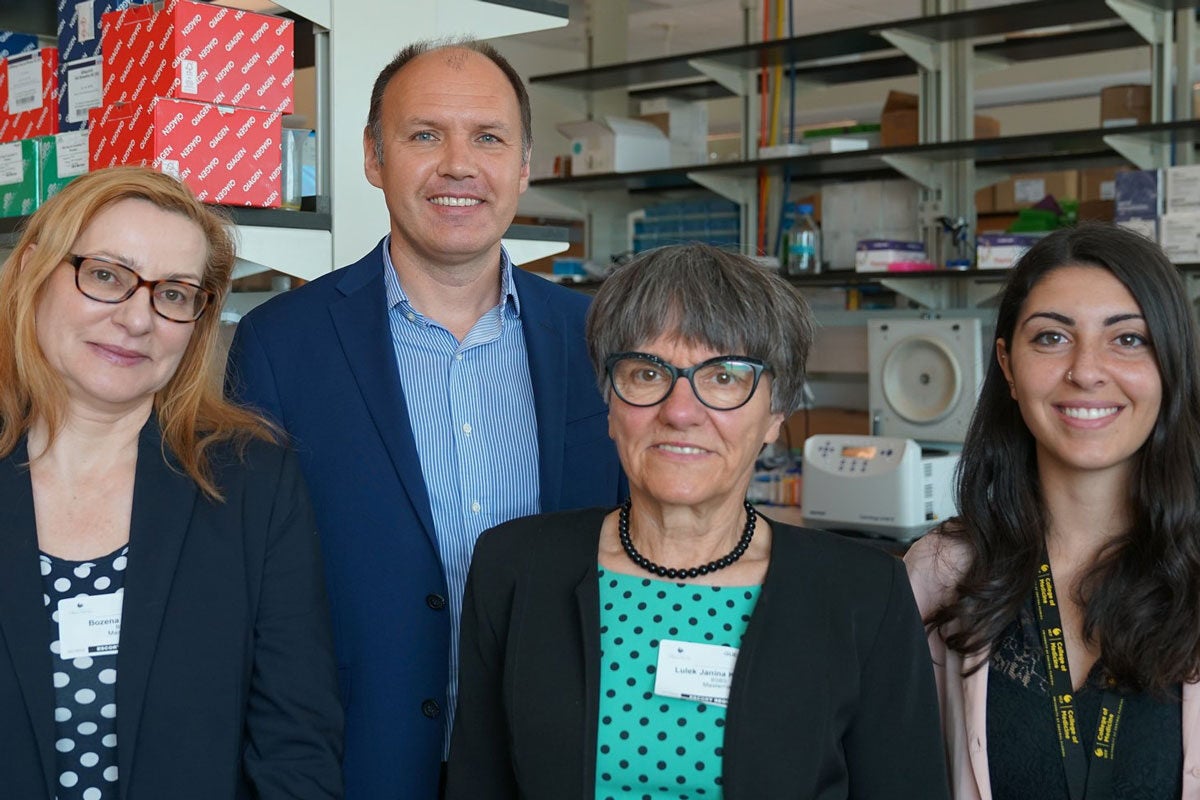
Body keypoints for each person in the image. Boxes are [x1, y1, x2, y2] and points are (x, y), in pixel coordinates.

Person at [225, 38, 624, 799]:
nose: (458, 165)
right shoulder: (281, 343)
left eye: (488, 138)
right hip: (355, 766)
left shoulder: (600, 341)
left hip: (551, 762)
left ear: (524, 164)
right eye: (424, 135)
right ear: (374, 158)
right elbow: (252, 601)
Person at [445, 243, 950, 800]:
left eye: (725, 378)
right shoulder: (515, 568)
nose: (681, 411)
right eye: (646, 372)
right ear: (609, 404)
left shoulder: (864, 595)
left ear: (775, 414)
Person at [0, 166, 343, 799]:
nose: (138, 319)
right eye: (106, 275)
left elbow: (296, 746)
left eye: (175, 293)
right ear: (29, 272)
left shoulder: (252, 483)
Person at [905, 222, 1200, 800]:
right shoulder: (938, 576)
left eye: (1129, 339)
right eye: (1051, 338)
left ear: (1171, 365)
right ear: (1008, 366)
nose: (1086, 371)